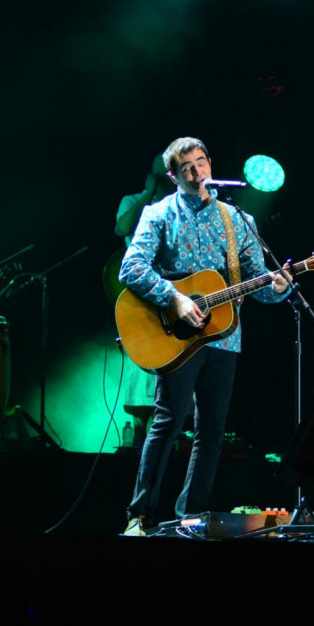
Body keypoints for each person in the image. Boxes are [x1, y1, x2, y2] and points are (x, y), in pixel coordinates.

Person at [120, 137, 291, 535]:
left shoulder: (237, 220)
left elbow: (254, 284)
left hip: (224, 338)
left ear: (211, 163)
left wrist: (277, 287)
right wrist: (175, 299)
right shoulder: (158, 214)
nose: (198, 174)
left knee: (212, 431)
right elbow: (131, 267)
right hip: (175, 339)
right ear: (173, 176)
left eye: (202, 164)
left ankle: (189, 517)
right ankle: (140, 515)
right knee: (167, 421)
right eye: (187, 169)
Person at [113, 154, 176, 446]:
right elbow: (122, 227)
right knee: (141, 396)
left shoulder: (179, 206)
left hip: (175, 300)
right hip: (143, 303)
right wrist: (150, 193)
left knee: (172, 399)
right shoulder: (133, 201)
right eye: (161, 176)